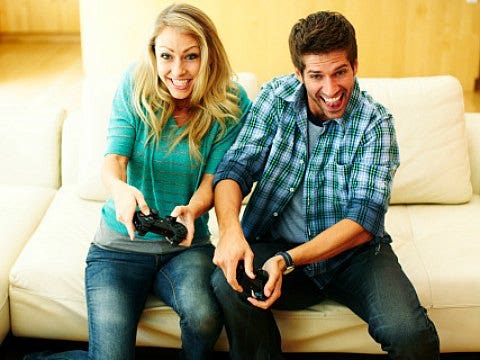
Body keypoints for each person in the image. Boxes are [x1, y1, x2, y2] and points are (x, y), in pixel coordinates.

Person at [24, 3, 250, 360]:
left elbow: (214, 179)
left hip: (186, 247)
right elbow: (113, 160)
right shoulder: (135, 83)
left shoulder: (232, 102)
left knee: (205, 317)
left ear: (209, 56)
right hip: (118, 248)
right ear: (153, 54)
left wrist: (192, 209)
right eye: (167, 56)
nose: (178, 71)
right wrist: (120, 189)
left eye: (191, 57)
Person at [211, 10, 439, 360]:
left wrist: (287, 261)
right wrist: (229, 231)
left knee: (411, 335)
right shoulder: (275, 98)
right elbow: (235, 168)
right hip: (275, 242)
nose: (331, 90)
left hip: (353, 255)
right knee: (226, 284)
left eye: (340, 72)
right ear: (299, 74)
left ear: (355, 65)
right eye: (316, 76)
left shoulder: (375, 123)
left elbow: (363, 221)